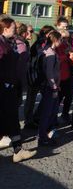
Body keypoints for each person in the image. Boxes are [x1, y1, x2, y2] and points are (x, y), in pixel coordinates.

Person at [0, 18, 36, 162]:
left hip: (8, 86)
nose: (16, 31)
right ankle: (17, 150)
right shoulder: (1, 44)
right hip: (4, 87)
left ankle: (17, 150)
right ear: (5, 29)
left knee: (11, 118)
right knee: (11, 117)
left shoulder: (7, 42)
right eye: (13, 28)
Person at [39, 31, 62, 146]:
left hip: (51, 86)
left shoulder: (49, 51)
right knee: (47, 113)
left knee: (50, 112)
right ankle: (42, 137)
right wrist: (54, 88)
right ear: (55, 40)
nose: (61, 42)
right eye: (60, 40)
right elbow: (49, 73)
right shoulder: (51, 54)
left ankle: (46, 135)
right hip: (50, 87)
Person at [56, 29, 73, 124]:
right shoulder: (57, 46)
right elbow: (56, 59)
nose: (66, 40)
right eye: (63, 38)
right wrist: (67, 56)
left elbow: (71, 60)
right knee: (58, 98)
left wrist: (72, 57)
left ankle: (65, 114)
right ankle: (53, 117)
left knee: (69, 96)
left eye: (67, 38)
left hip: (68, 74)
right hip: (59, 76)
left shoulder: (68, 45)